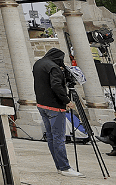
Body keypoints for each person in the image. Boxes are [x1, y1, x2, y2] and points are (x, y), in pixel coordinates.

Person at [33, 47, 83, 178]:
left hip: (41, 104)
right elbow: (56, 85)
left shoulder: (38, 64)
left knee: (51, 137)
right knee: (59, 138)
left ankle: (59, 166)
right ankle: (65, 167)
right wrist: (67, 101)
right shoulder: (54, 68)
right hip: (55, 107)